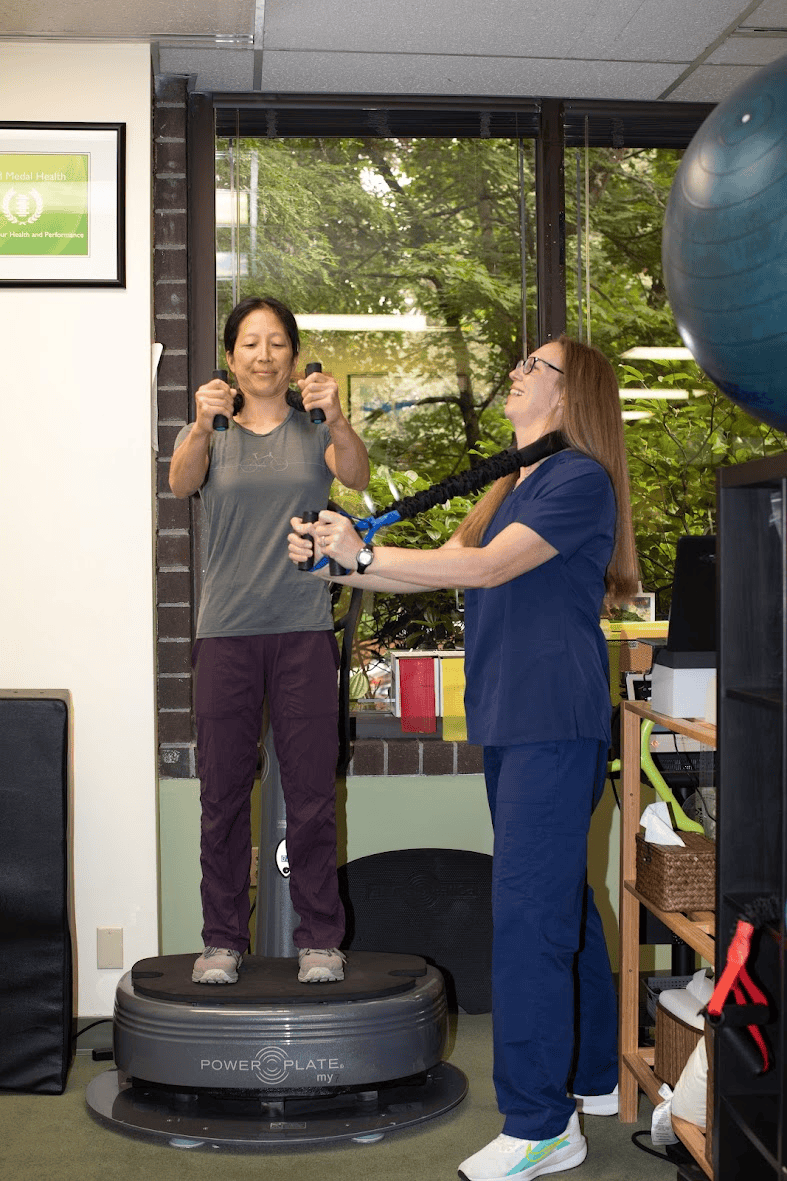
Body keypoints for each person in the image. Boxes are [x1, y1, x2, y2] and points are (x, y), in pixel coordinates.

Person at [288, 336, 639, 1180]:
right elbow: (441, 573)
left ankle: (539, 1122)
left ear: (569, 392)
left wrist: (360, 554)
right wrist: (341, 569)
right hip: (515, 722)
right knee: (562, 903)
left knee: (526, 917)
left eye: (533, 366)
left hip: (554, 721)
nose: (515, 373)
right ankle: (592, 1077)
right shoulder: (514, 480)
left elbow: (483, 569)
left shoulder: (579, 479)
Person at [169, 295, 370, 986]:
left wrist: (337, 414)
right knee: (223, 794)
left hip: (303, 629)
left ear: (292, 354)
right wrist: (199, 424)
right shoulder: (212, 430)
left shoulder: (315, 427)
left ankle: (319, 936)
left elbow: (357, 473)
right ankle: (223, 937)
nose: (263, 354)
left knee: (311, 793)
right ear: (231, 358)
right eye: (249, 343)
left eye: (276, 342)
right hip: (226, 631)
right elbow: (179, 481)